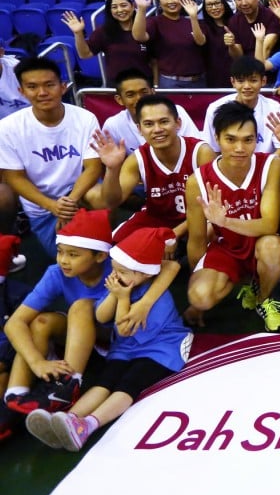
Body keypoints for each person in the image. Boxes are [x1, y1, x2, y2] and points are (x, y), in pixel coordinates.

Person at [25, 227, 191, 452]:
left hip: (161, 348)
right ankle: (67, 420)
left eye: (122, 271)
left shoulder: (156, 296)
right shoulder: (121, 284)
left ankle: (88, 425)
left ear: (144, 273)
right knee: (104, 381)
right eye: (114, 269)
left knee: (127, 384)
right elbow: (101, 316)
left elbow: (124, 329)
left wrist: (122, 298)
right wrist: (116, 294)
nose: (114, 275)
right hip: (125, 348)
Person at [186, 102, 280, 332]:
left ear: (257, 139)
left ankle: (263, 297)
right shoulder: (197, 181)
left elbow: (269, 224)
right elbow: (196, 240)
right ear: (217, 138)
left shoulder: (270, 165)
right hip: (226, 249)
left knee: (272, 246)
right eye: (230, 139)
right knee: (200, 297)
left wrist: (225, 222)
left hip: (261, 245)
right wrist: (199, 281)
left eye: (248, 140)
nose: (240, 148)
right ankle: (245, 283)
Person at [3, 210, 112, 416]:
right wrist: (38, 363)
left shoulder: (117, 267)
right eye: (60, 251)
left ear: (100, 255)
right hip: (82, 336)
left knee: (80, 306)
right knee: (41, 321)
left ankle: (67, 386)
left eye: (73, 254)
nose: (63, 260)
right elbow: (14, 323)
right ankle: (14, 396)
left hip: (118, 336)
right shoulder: (57, 272)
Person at [0, 58, 102, 257]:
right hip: (43, 208)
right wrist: (53, 206)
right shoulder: (7, 128)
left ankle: (108, 231)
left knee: (101, 196)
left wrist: (69, 203)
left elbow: (93, 167)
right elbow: (14, 177)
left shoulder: (85, 118)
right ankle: (7, 247)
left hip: (80, 198)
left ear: (63, 87)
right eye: (32, 87)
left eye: (49, 85)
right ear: (21, 92)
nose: (42, 93)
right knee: (66, 262)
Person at [94, 93, 215, 242]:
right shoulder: (137, 159)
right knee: (116, 244)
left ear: (178, 123)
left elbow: (212, 205)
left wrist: (174, 234)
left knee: (210, 232)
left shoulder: (201, 152)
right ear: (139, 128)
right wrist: (112, 169)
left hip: (199, 219)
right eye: (149, 124)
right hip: (157, 220)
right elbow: (111, 202)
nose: (157, 129)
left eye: (163, 122)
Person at [201, 57, 280, 158]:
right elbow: (212, 150)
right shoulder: (215, 108)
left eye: (253, 80)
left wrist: (262, 167)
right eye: (241, 81)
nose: (247, 86)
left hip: (265, 169)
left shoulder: (273, 107)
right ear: (233, 82)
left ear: (263, 81)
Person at [95, 69, 200, 155]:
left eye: (144, 92)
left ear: (153, 92)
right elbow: (112, 160)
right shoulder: (113, 125)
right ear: (119, 100)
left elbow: (196, 148)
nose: (139, 99)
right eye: (130, 95)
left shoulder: (176, 111)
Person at [131, 0, 207, 88]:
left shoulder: (191, 21)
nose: (170, 1)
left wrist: (193, 17)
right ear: (159, 3)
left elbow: (200, 41)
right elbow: (139, 36)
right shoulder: (155, 22)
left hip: (198, 81)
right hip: (171, 82)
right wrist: (142, 10)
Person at [63, 0, 149, 84]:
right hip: (116, 85)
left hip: (144, 83)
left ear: (133, 7)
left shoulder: (146, 27)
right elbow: (85, 54)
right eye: (114, 7)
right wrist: (78, 33)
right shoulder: (103, 32)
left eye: (124, 5)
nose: (120, 10)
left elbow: (154, 61)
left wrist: (156, 84)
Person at [199, 0, 235, 88]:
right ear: (205, 8)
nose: (214, 8)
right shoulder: (201, 25)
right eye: (209, 5)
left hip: (236, 76)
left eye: (217, 3)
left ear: (224, 4)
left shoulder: (235, 22)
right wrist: (193, 16)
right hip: (213, 78)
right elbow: (200, 41)